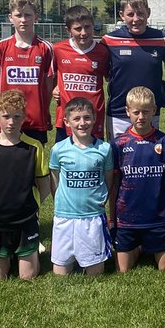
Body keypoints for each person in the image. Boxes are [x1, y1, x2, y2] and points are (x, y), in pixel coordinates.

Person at [0, 89, 51, 280]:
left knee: (28, 276)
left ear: (24, 117)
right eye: (6, 116)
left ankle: (28, 254)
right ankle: (8, 255)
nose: (11, 122)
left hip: (25, 221)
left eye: (17, 117)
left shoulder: (34, 148)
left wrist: (30, 205)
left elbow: (44, 185)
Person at [110, 87, 165, 272]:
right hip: (127, 219)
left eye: (146, 111)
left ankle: (149, 244)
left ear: (154, 111)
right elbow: (114, 185)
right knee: (122, 271)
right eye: (136, 112)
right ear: (127, 112)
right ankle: (138, 246)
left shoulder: (164, 142)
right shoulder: (119, 144)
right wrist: (112, 219)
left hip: (156, 217)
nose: (141, 116)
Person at [50, 97, 115, 276]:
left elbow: (108, 180)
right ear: (66, 122)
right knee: (60, 273)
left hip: (92, 216)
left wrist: (101, 199)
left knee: (96, 272)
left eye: (87, 118)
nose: (82, 123)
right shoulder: (58, 149)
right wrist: (61, 203)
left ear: (94, 118)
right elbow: (54, 180)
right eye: (76, 119)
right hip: (65, 217)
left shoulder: (104, 149)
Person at [104, 0, 165, 138]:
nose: (136, 19)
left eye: (140, 13)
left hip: (149, 112)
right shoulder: (109, 40)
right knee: (118, 158)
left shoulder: (162, 39)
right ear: (122, 15)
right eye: (130, 14)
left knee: (148, 155)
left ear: (148, 12)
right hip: (119, 112)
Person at [0, 0, 54, 145]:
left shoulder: (46, 48)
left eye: (28, 15)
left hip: (35, 120)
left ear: (36, 17)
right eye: (18, 15)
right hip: (8, 119)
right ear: (10, 17)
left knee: (34, 164)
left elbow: (48, 85)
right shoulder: (0, 47)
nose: (23, 20)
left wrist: (45, 111)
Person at [51, 4, 110, 140]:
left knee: (94, 158)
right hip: (67, 117)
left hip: (93, 117)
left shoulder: (103, 51)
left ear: (93, 26)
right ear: (69, 30)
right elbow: (50, 75)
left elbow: (110, 78)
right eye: (78, 28)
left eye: (87, 27)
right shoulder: (59, 49)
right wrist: (55, 87)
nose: (83, 33)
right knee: (65, 158)